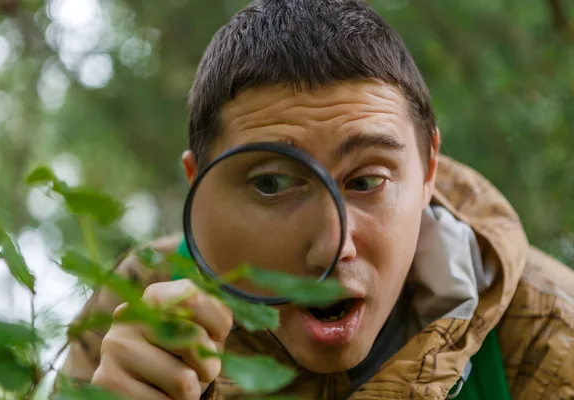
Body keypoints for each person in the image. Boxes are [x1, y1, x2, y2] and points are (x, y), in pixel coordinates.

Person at [56, 0, 574, 399]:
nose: (332, 246)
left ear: (429, 171)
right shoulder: (136, 303)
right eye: (271, 184)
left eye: (367, 181)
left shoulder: (550, 329)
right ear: (200, 185)